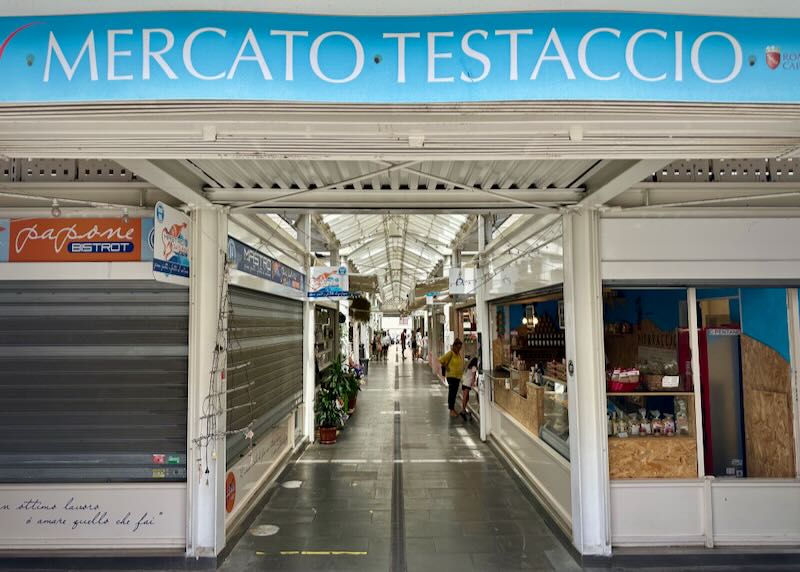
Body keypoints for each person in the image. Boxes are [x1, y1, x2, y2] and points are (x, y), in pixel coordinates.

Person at [439, 339, 465, 417]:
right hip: (451, 376)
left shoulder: (458, 355)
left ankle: (452, 409)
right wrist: (446, 367)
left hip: (457, 377)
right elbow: (441, 360)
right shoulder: (450, 353)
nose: (458, 349)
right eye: (457, 347)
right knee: (452, 393)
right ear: (454, 346)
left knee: (454, 393)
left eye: (460, 348)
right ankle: (451, 410)